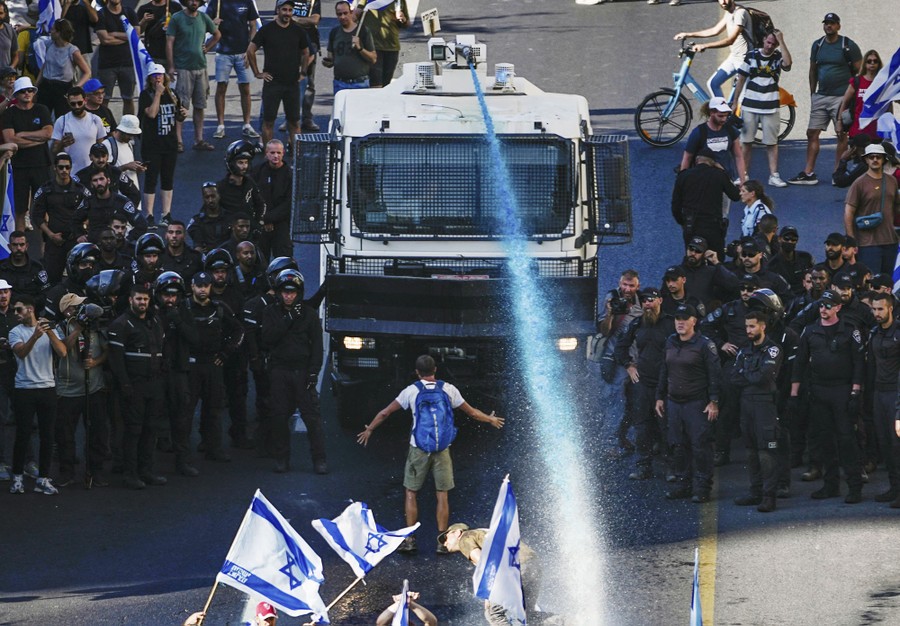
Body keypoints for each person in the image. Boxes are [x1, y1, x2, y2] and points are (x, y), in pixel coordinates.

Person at [358, 354, 504, 553]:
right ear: (435, 370)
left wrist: (370, 429)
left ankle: (410, 539)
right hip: (442, 449)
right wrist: (490, 419)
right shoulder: (448, 389)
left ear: (417, 372)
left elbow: (386, 412)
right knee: (442, 494)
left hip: (418, 449)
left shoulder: (411, 391)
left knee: (411, 492)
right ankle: (442, 542)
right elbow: (471, 412)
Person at [789, 288, 865, 503]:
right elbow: (800, 363)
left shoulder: (850, 330)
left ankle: (854, 487)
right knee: (824, 440)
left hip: (843, 391)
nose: (823, 309)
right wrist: (794, 395)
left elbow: (859, 364)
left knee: (846, 440)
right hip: (819, 392)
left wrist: (855, 392)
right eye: (821, 305)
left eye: (828, 305)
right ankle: (830, 485)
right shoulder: (810, 331)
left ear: (839, 307)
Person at [655, 303, 721, 503]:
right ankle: (683, 485)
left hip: (697, 403)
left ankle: (702, 487)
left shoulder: (704, 345)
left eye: (685, 319)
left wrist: (714, 401)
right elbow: (664, 370)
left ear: (694, 321)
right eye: (677, 319)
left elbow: (715, 375)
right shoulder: (670, 342)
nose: (680, 322)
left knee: (700, 446)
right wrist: (659, 396)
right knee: (677, 445)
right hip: (674, 403)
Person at [787, 13, 862, 186]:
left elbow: (859, 70)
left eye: (832, 23)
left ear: (838, 26)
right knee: (812, 133)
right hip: (821, 96)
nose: (829, 26)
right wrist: (813, 93)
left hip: (841, 97)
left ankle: (837, 173)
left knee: (841, 134)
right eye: (827, 23)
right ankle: (808, 172)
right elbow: (813, 70)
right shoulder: (818, 45)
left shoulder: (848, 45)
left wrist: (852, 96)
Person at [107, 284, 166, 489]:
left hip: (154, 384)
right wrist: (125, 385)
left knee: (151, 429)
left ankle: (146, 471)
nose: (142, 302)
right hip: (133, 385)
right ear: (131, 300)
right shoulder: (121, 324)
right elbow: (115, 360)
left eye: (145, 299)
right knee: (133, 431)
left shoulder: (155, 322)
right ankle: (130, 474)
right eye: (139, 299)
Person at [8, 294, 67, 496]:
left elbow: (62, 352)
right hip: (24, 389)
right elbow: (21, 353)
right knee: (23, 434)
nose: (16, 313)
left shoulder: (50, 329)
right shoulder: (15, 332)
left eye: (19, 309)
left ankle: (43, 477)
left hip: (47, 387)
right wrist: (35, 335)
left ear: (30, 309)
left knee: (47, 435)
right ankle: (17, 476)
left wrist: (49, 333)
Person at [615, 287, 675, 479]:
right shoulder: (637, 323)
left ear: (660, 301)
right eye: (644, 301)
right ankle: (643, 466)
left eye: (651, 299)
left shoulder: (671, 323)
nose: (647, 303)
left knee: (666, 425)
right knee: (642, 425)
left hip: (665, 382)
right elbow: (620, 347)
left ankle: (671, 467)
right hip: (642, 381)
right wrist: (628, 366)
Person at [183, 270, 242, 463]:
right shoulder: (183, 308)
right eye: (198, 286)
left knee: (214, 409)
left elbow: (238, 331)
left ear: (210, 287)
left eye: (205, 286)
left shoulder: (219, 308)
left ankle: (213, 448)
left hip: (212, 366)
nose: (202, 289)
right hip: (190, 367)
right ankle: (183, 453)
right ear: (192, 286)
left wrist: (225, 354)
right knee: (186, 410)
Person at [55, 292, 108, 487]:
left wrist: (95, 362)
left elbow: (106, 351)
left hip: (94, 388)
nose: (81, 310)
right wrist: (77, 329)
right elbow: (62, 350)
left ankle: (96, 471)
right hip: (68, 391)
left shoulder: (95, 326)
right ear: (66, 310)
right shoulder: (60, 327)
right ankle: (66, 472)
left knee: (98, 433)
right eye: (76, 307)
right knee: (65, 435)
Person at [731, 310, 782, 512]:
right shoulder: (745, 351)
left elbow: (764, 377)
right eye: (746, 327)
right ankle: (755, 492)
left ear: (763, 326)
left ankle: (769, 496)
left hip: (765, 405)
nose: (748, 330)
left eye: (752, 326)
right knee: (751, 451)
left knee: (767, 451)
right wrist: (751, 375)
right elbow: (733, 377)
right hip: (746, 404)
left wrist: (747, 374)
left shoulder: (772, 350)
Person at [438, 522, 537, 625]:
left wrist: (489, 595)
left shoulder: (465, 538)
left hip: (515, 567)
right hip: (532, 563)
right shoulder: (482, 533)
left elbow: (485, 565)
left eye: (446, 537)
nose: (444, 543)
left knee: (493, 613)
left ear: (458, 532)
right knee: (527, 615)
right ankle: (555, 621)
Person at [154, 271, 200, 476]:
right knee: (152, 419)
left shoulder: (184, 312)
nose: (170, 299)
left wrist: (178, 321)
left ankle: (182, 461)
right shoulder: (153, 314)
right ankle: (149, 464)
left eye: (174, 296)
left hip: (180, 373)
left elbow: (194, 337)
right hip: (157, 373)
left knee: (181, 419)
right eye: (166, 295)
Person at [247, 0, 309, 152]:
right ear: (278, 10)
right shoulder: (267, 29)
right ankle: (269, 157)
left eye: (290, 10)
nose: (287, 13)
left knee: (294, 122)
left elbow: (306, 51)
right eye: (284, 10)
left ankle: (296, 157)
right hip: (272, 84)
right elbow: (250, 50)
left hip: (292, 84)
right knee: (268, 122)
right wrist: (257, 73)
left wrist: (303, 72)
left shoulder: (298, 30)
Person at [733, 29, 792, 188]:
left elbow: (788, 64)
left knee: (771, 142)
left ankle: (774, 175)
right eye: (768, 42)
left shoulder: (778, 57)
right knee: (747, 142)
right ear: (763, 40)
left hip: (771, 106)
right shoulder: (751, 55)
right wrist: (735, 102)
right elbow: (741, 78)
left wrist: (782, 41)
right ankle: (743, 174)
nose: (770, 46)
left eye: (774, 44)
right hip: (750, 105)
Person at [166, 0, 220, 152]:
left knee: (200, 105)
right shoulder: (177, 18)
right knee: (181, 106)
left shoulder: (203, 18)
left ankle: (199, 139)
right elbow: (169, 42)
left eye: (197, 0)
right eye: (191, 0)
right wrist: (171, 66)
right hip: (183, 68)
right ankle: (178, 141)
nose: (194, 2)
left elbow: (217, 34)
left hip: (201, 67)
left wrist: (207, 47)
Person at [2, 76, 53, 232]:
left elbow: (48, 134)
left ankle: (46, 248)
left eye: (30, 90)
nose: (27, 93)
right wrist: (37, 139)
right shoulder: (9, 114)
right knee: (20, 209)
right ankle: (20, 245)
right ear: (17, 94)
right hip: (19, 166)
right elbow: (10, 139)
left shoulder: (41, 109)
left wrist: (23, 134)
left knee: (44, 207)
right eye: (23, 91)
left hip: (41, 164)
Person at [30, 152, 89, 284]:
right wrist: (50, 235)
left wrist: (83, 232)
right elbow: (37, 215)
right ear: (55, 168)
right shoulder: (46, 190)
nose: (64, 171)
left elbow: (91, 211)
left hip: (76, 240)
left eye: (67, 167)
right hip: (54, 241)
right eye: (61, 167)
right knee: (51, 278)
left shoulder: (80, 190)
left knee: (80, 277)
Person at [673, 0, 751, 98]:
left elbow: (730, 40)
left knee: (742, 99)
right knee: (713, 83)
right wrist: (688, 34)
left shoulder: (740, 13)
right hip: (734, 57)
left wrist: (705, 45)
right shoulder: (729, 13)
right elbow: (715, 30)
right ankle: (722, 111)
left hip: (744, 60)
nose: (723, 2)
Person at [672, 147, 740, 259]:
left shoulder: (683, 176)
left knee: (692, 259)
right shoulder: (719, 175)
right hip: (713, 226)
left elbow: (675, 205)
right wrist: (723, 172)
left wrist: (683, 222)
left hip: (691, 225)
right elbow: (735, 196)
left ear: (697, 160)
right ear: (713, 163)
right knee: (716, 261)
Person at [138, 63, 185, 223]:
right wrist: (158, 94)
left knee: (167, 179)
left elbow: (177, 116)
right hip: (152, 145)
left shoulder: (172, 94)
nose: (158, 77)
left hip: (169, 144)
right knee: (151, 179)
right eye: (154, 75)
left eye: (160, 75)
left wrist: (182, 114)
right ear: (150, 79)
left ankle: (166, 213)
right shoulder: (146, 95)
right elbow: (151, 114)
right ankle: (149, 214)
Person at [843, 143, 900, 274]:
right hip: (867, 243)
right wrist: (851, 240)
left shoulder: (892, 181)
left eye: (878, 157)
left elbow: (896, 207)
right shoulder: (859, 183)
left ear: (884, 159)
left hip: (890, 241)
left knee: (885, 283)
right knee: (871, 282)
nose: (875, 160)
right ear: (866, 160)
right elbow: (848, 213)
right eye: (871, 157)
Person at [206, 0, 259, 140]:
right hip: (223, 52)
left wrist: (250, 49)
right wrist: (213, 22)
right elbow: (205, 22)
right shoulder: (216, 2)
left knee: (245, 88)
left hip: (243, 53)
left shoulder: (246, 1)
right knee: (221, 87)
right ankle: (220, 126)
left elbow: (253, 25)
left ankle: (247, 125)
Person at [866, 292, 900, 507]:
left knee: (897, 446)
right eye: (874, 309)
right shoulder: (873, 333)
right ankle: (894, 488)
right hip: (879, 394)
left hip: (895, 395)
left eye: (880, 309)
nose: (876, 313)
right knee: (886, 446)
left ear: (890, 309)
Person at [36, 19, 92, 117]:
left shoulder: (72, 50)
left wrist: (77, 87)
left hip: (62, 87)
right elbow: (45, 65)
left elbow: (87, 72)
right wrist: (36, 85)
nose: (51, 31)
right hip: (46, 85)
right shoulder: (49, 45)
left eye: (53, 29)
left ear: (59, 32)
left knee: (62, 117)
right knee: (42, 115)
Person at [74, 168, 146, 243]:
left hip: (117, 249)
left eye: (101, 179)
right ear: (91, 184)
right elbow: (74, 221)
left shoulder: (122, 202)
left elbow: (142, 224)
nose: (99, 183)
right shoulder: (88, 202)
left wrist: (128, 239)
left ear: (108, 180)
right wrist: (80, 234)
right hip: (94, 247)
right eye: (95, 180)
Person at [93, 0, 139, 116]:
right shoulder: (101, 14)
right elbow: (105, 40)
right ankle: (104, 128)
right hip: (107, 65)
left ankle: (128, 129)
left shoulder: (129, 12)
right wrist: (127, 36)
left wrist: (113, 34)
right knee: (103, 99)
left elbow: (136, 35)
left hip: (128, 63)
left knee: (128, 98)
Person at [50, 87, 107, 173]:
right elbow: (54, 150)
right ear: (68, 103)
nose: (77, 106)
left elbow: (101, 147)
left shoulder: (95, 119)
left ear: (85, 100)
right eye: (73, 104)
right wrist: (62, 144)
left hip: (92, 171)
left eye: (79, 103)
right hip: (71, 172)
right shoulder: (62, 121)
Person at [324, 1, 376, 94]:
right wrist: (328, 62)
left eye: (345, 13)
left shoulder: (363, 31)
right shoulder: (334, 32)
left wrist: (360, 48)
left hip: (360, 83)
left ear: (351, 12)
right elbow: (331, 58)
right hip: (339, 83)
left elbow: (373, 58)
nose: (342, 17)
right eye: (339, 14)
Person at [252, 139, 292, 259]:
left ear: (283, 153)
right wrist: (263, 219)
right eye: (272, 152)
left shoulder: (290, 175)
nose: (276, 156)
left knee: (283, 259)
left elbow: (289, 203)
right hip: (260, 224)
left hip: (281, 224)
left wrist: (269, 219)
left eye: (278, 153)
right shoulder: (257, 171)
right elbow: (252, 196)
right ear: (266, 153)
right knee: (259, 259)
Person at [356, 0, 408, 88]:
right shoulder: (367, 1)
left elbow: (406, 24)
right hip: (373, 47)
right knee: (375, 84)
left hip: (392, 47)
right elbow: (355, 16)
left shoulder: (399, 1)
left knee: (386, 85)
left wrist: (403, 19)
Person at [74, 142, 142, 208]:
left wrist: (124, 215)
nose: (101, 160)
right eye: (97, 156)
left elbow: (135, 194)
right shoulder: (81, 176)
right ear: (90, 157)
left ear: (107, 157)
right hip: (90, 215)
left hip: (112, 214)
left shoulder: (116, 173)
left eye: (103, 156)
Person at [217, 140, 265, 231]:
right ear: (232, 164)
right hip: (229, 231)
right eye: (240, 162)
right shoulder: (220, 187)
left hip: (248, 230)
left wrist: (258, 223)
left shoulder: (250, 183)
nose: (244, 166)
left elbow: (260, 204)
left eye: (246, 162)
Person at [837, 50, 883, 142]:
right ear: (865, 63)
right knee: (855, 155)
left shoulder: (882, 83)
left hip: (876, 131)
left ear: (879, 64)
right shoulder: (857, 81)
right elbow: (844, 103)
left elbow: (888, 105)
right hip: (857, 130)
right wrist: (839, 122)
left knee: (874, 156)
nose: (872, 63)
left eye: (875, 61)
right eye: (869, 61)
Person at [0, 231, 51, 305]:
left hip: (31, 310)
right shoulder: (1, 267)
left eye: (22, 245)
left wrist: (27, 305)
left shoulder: (37, 267)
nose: (18, 248)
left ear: (26, 246)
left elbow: (45, 293)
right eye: (15, 245)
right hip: (6, 311)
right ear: (9, 247)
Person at [292, 0, 321, 132]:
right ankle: (291, 117)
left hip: (311, 44)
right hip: (290, 43)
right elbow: (277, 17)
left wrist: (296, 19)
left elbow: (315, 19)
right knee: (290, 82)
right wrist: (305, 21)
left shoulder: (313, 1)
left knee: (309, 84)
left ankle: (307, 118)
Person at [102, 114, 145, 190]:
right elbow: (104, 172)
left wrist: (136, 168)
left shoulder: (129, 144)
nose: (131, 137)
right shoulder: (107, 145)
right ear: (121, 130)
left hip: (133, 191)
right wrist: (126, 167)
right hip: (118, 194)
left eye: (133, 135)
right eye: (129, 134)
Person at [767, 225, 814, 295]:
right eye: (786, 239)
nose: (790, 242)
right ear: (779, 239)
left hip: (804, 297)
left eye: (793, 240)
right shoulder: (772, 265)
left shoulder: (806, 258)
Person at [188, 182, 231, 252]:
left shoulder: (230, 218)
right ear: (203, 199)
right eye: (207, 197)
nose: (210, 200)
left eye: (213, 196)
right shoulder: (196, 222)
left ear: (219, 196)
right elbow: (198, 245)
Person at [136, 0, 182, 65]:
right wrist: (144, 21)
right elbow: (138, 31)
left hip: (173, 55)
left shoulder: (175, 7)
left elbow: (182, 28)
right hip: (152, 55)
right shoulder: (144, 8)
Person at [0, 1, 18, 69]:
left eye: (1, 13)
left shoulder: (10, 30)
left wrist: (11, 68)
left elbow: (16, 55)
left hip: (4, 76)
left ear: (5, 14)